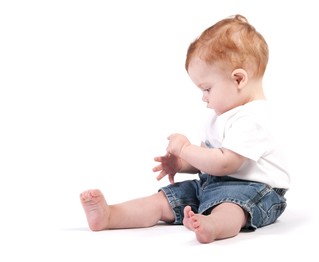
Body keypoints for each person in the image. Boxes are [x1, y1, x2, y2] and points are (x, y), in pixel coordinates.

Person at [80, 14, 290, 243]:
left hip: (256, 191)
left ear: (238, 79)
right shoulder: (219, 116)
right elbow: (207, 161)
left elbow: (225, 163)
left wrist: (185, 148)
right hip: (210, 185)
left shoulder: (253, 118)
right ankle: (111, 215)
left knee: (232, 207)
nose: (204, 97)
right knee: (165, 199)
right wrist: (181, 164)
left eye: (207, 88)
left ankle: (214, 225)